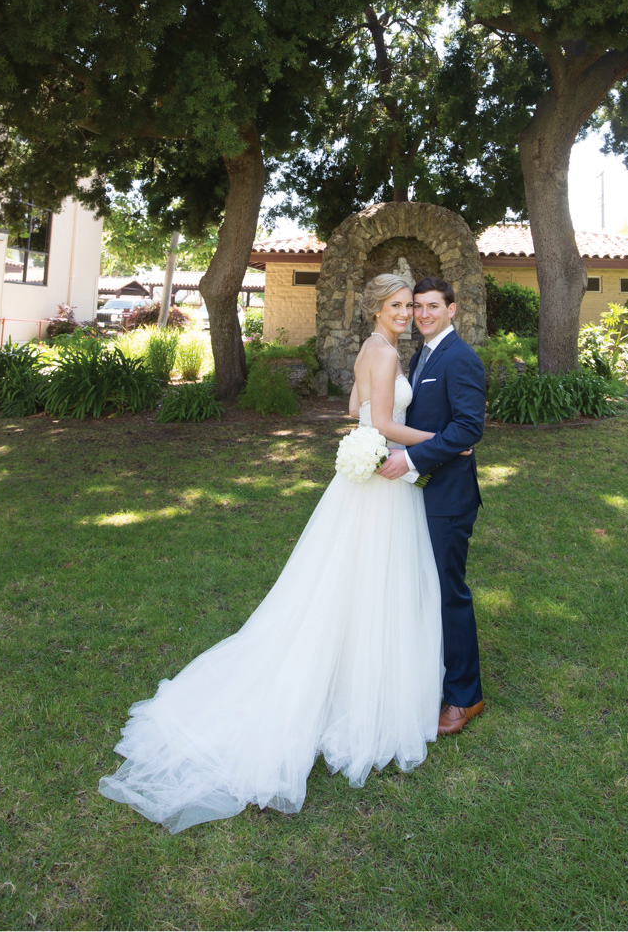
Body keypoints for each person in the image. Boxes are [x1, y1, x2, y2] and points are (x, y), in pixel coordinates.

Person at [98, 273, 451, 832]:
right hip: (381, 484)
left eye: (411, 305)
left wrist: (369, 436)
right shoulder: (385, 353)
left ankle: (350, 673)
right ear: (377, 308)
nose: (408, 312)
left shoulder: (371, 348)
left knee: (346, 580)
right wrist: (441, 441)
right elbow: (381, 420)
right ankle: (359, 692)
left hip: (363, 481)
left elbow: (353, 410)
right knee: (371, 579)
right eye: (398, 305)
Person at [377, 277, 487, 736]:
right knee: (422, 587)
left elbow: (468, 428)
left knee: (448, 591)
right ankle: (430, 677)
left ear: (452, 310)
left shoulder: (460, 358)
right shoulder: (423, 353)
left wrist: (413, 457)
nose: (422, 314)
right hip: (422, 489)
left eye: (432, 306)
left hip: (449, 497)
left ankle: (466, 696)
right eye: (417, 306)